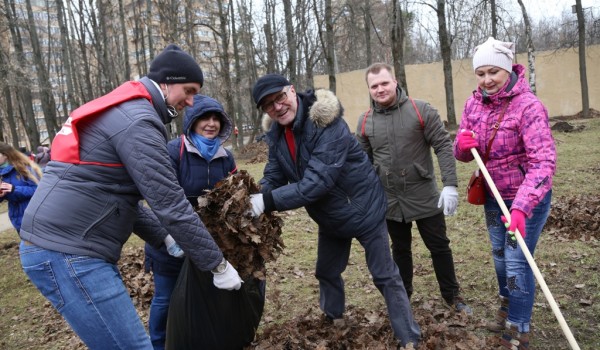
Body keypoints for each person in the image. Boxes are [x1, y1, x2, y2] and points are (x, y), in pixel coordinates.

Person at [18, 44, 243, 350]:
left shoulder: (128, 110)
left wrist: (164, 237)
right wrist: (217, 265)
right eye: (188, 90)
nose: (190, 101)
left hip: (61, 246)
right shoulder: (138, 120)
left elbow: (115, 194)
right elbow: (170, 203)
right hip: (68, 251)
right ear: (166, 82)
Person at [248, 73, 421, 348]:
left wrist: (266, 202)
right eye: (269, 104)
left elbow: (316, 183)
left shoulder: (327, 124)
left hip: (364, 210)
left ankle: (409, 336)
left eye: (280, 97)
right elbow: (274, 174)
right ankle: (334, 319)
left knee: (384, 274)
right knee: (326, 271)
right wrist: (256, 193)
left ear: (291, 91)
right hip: (330, 217)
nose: (277, 107)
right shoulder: (278, 135)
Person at [454, 37, 556, 349]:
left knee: (516, 262)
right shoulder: (474, 103)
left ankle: (517, 327)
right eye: (480, 73)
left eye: (493, 73)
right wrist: (462, 146)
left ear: (507, 69)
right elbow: (464, 152)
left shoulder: (529, 106)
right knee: (500, 258)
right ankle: (505, 303)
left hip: (526, 200)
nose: (486, 80)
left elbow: (543, 162)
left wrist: (523, 207)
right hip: (493, 195)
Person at [356, 63, 472, 315]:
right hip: (389, 201)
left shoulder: (421, 110)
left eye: (384, 83)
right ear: (369, 89)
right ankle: (403, 296)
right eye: (374, 86)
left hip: (424, 196)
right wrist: (363, 199)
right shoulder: (365, 121)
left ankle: (452, 296)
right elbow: (362, 165)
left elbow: (442, 145)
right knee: (400, 250)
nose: (380, 89)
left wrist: (450, 184)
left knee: (439, 246)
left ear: (395, 81)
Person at [144, 94, 238, 349]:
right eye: (204, 118)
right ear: (192, 121)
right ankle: (160, 343)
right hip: (171, 240)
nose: (211, 123)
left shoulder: (225, 157)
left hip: (208, 244)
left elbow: (234, 194)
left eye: (216, 119)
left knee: (201, 297)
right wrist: (169, 236)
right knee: (166, 297)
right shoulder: (174, 151)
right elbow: (158, 199)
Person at [0, 142, 42, 233]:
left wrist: (14, 189)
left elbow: (38, 190)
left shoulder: (24, 168)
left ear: (5, 155)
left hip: (35, 214)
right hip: (17, 219)